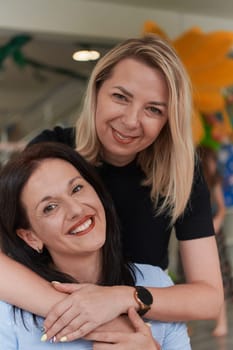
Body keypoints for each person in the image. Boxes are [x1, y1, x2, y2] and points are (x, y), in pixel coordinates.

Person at [0, 35, 223, 341]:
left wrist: (120, 299)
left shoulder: (180, 173)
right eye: (120, 97)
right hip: (58, 326)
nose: (131, 121)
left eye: (154, 110)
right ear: (97, 92)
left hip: (147, 325)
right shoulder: (52, 152)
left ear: (168, 120)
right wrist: (92, 317)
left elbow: (209, 297)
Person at [0, 142, 191, 349]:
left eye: (77, 188)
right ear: (30, 237)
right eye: (50, 207)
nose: (75, 209)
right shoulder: (9, 316)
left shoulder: (156, 283)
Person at [198, 145, 233, 337]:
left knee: (218, 278)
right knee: (193, 279)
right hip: (197, 235)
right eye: (211, 161)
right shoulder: (194, 182)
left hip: (213, 234)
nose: (214, 165)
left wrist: (216, 222)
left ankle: (222, 322)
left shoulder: (214, 181)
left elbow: (221, 208)